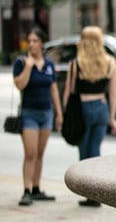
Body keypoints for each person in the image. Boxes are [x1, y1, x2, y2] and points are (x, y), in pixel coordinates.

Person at [62, 25, 116, 207]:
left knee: (84, 152)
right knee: (95, 151)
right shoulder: (109, 62)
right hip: (101, 107)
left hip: (83, 108)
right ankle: (95, 195)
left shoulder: (76, 64)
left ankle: (89, 194)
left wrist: (65, 115)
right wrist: (112, 117)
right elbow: (114, 93)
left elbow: (68, 92)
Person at [13, 28, 63, 206]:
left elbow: (53, 90)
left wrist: (59, 113)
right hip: (29, 113)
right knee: (30, 153)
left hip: (46, 113)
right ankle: (26, 190)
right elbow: (20, 85)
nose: (31, 44)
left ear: (42, 44)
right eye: (29, 41)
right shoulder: (21, 62)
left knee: (40, 154)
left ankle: (36, 188)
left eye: (35, 41)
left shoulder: (49, 65)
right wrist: (28, 67)